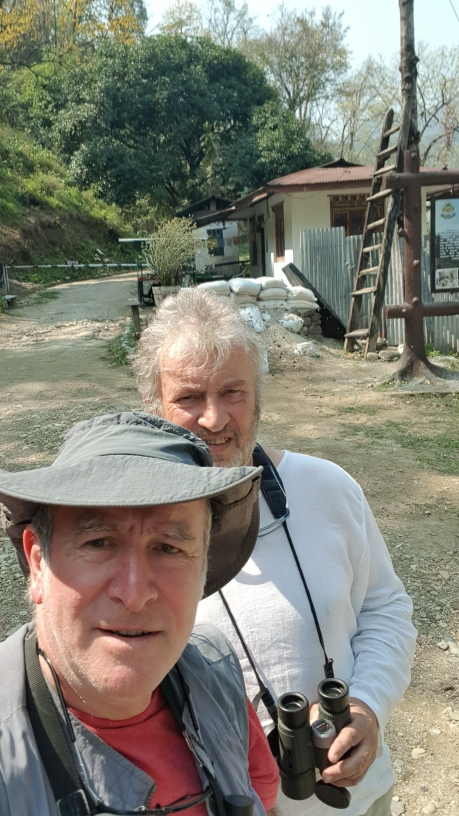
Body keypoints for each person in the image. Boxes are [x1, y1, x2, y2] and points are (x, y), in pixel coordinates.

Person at [133, 289, 417, 816]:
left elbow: (386, 609)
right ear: (153, 407)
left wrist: (367, 706)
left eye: (232, 392)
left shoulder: (329, 489)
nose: (214, 418)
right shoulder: (132, 533)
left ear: (258, 398)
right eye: (189, 397)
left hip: (360, 799)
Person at [0, 411, 280, 816]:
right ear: (38, 561)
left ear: (203, 567)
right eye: (99, 542)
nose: (134, 595)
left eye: (169, 548)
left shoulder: (215, 670)